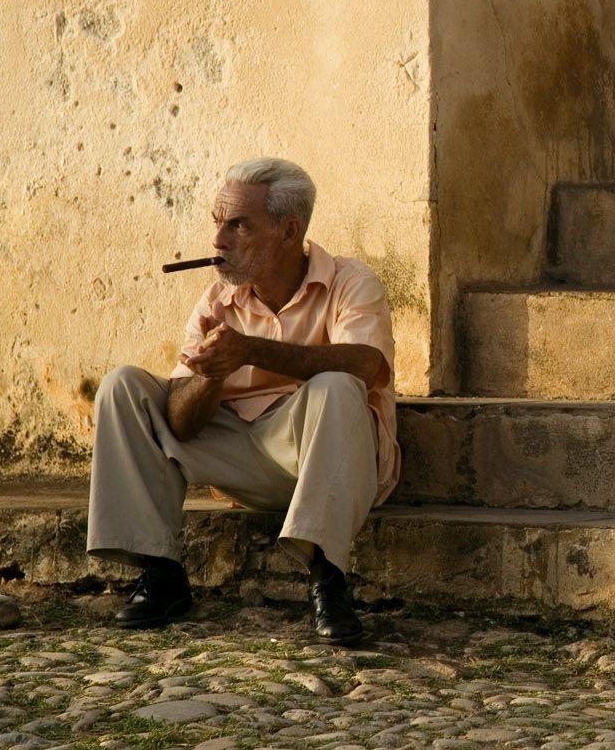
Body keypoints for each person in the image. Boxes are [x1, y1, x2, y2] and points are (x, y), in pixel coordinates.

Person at [86, 157, 399, 643]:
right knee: (122, 386)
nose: (218, 241)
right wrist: (214, 375)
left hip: (321, 455)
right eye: (218, 222)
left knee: (338, 385)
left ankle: (328, 579)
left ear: (288, 231)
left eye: (239, 225)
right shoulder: (216, 302)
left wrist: (250, 349)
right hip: (241, 454)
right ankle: (161, 572)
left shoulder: (351, 281)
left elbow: (364, 365)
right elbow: (181, 426)